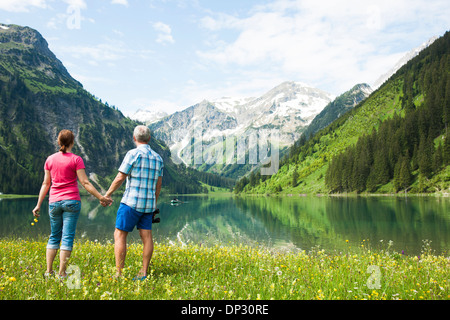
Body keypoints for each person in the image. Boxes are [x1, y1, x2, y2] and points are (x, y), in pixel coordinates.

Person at [32, 129, 112, 277]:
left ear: (59, 142)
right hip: (71, 202)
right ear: (72, 142)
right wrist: (101, 197)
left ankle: (49, 272)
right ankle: (62, 274)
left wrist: (38, 204)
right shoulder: (76, 159)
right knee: (67, 237)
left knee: (54, 236)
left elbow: (45, 183)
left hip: (54, 202)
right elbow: (85, 183)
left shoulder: (49, 159)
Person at [104, 125, 163, 280]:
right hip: (148, 205)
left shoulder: (133, 154)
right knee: (147, 237)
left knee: (120, 234)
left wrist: (107, 194)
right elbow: (158, 185)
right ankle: (143, 272)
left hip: (131, 202)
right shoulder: (158, 158)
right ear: (149, 139)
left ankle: (119, 273)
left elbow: (120, 178)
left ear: (134, 138)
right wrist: (153, 203)